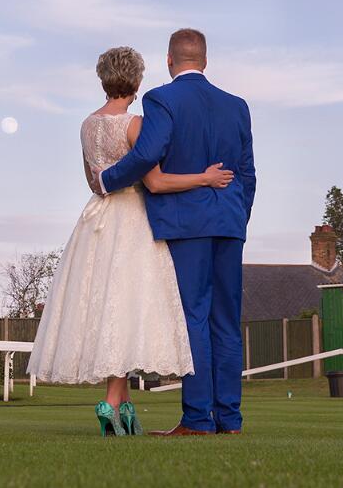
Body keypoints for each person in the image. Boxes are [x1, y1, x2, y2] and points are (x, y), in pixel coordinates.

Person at [26, 45, 234, 437]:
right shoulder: (136, 125)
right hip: (132, 219)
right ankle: (115, 404)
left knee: (107, 309)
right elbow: (154, 181)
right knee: (126, 309)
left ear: (103, 79)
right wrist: (204, 178)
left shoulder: (87, 125)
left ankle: (117, 404)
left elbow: (93, 180)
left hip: (96, 218)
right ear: (137, 81)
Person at [94, 29, 256, 436]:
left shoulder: (162, 99)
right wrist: (238, 215)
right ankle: (230, 421)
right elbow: (249, 173)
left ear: (170, 61)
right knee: (226, 323)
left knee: (193, 321)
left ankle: (198, 420)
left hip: (187, 225)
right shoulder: (238, 106)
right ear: (204, 59)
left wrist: (108, 180)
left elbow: (148, 154)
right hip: (229, 223)